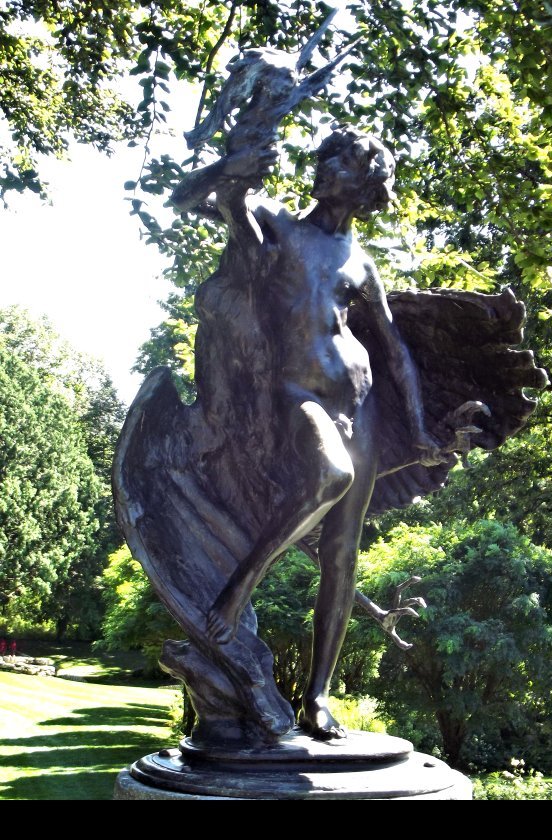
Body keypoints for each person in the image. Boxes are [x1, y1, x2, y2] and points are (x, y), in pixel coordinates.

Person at [175, 127, 448, 739]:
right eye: (325, 157)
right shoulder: (280, 224)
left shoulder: (361, 262)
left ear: (365, 183)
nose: (323, 166)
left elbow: (396, 350)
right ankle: (235, 592)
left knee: (343, 555)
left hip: (364, 403)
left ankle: (317, 699)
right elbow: (209, 202)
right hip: (294, 395)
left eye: (340, 161)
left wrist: (422, 426)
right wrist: (234, 171)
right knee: (331, 474)